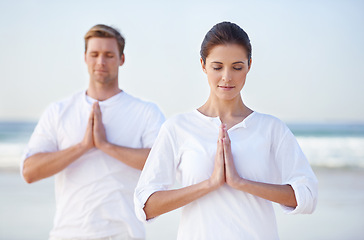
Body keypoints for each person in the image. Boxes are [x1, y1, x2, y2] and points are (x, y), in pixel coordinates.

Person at [134, 21, 318, 240]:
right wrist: (209, 184)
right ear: (203, 65)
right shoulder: (178, 128)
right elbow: (145, 206)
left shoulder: (271, 128)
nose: (227, 77)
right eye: (217, 67)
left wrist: (241, 183)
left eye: (237, 67)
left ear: (249, 65)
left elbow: (307, 196)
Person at [21, 24, 165, 240]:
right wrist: (83, 146)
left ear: (121, 59)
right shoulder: (59, 111)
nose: (101, 62)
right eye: (94, 54)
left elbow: (162, 164)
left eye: (108, 55)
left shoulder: (145, 112)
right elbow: (30, 171)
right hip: (68, 233)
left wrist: (107, 146)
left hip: (125, 234)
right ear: (85, 57)